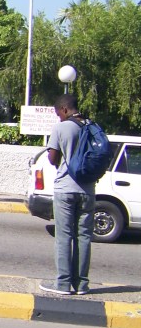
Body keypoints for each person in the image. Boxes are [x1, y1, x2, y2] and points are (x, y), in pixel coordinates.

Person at [39, 93, 96, 296]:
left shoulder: (61, 128)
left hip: (65, 189)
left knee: (63, 237)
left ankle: (62, 284)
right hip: (88, 190)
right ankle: (81, 284)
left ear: (64, 109)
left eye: (58, 113)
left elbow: (52, 159)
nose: (59, 117)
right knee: (84, 237)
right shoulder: (92, 127)